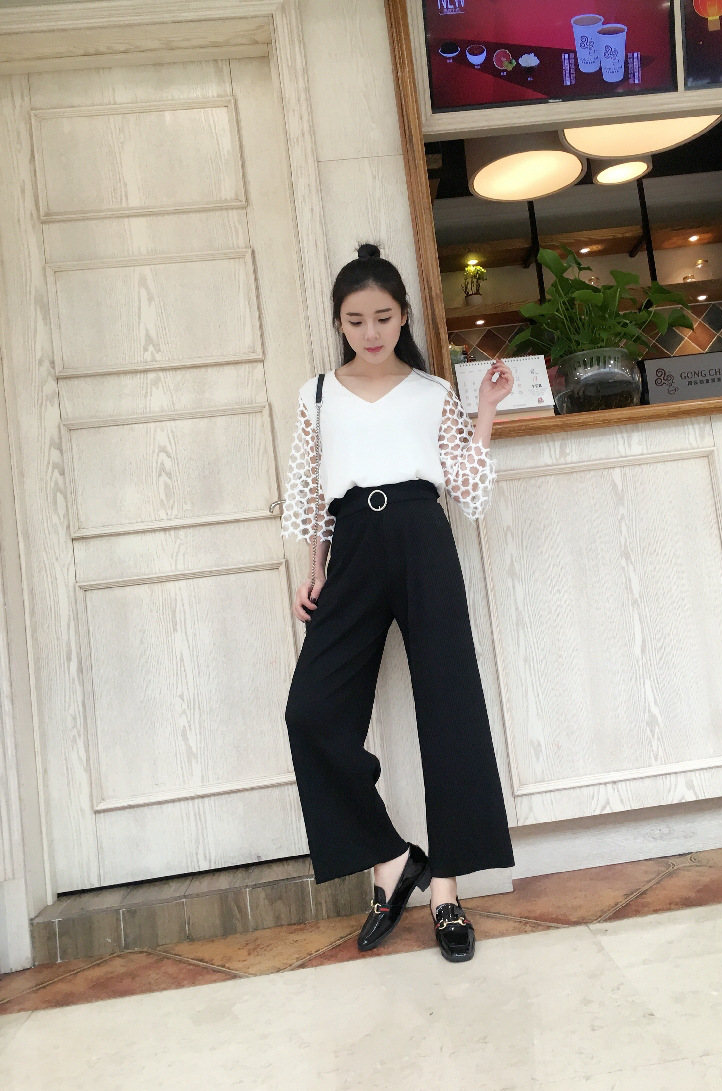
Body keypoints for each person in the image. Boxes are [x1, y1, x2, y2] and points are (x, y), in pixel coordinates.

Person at [281, 243, 515, 963]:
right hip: (351, 543)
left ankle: (445, 889)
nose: (371, 331)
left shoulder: (431, 391)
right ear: (339, 323)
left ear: (404, 315)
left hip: (421, 535)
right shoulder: (317, 395)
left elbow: (468, 488)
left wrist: (484, 410)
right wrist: (315, 568)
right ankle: (391, 859)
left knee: (450, 708)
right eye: (356, 320)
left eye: (383, 317)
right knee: (311, 711)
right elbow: (312, 489)